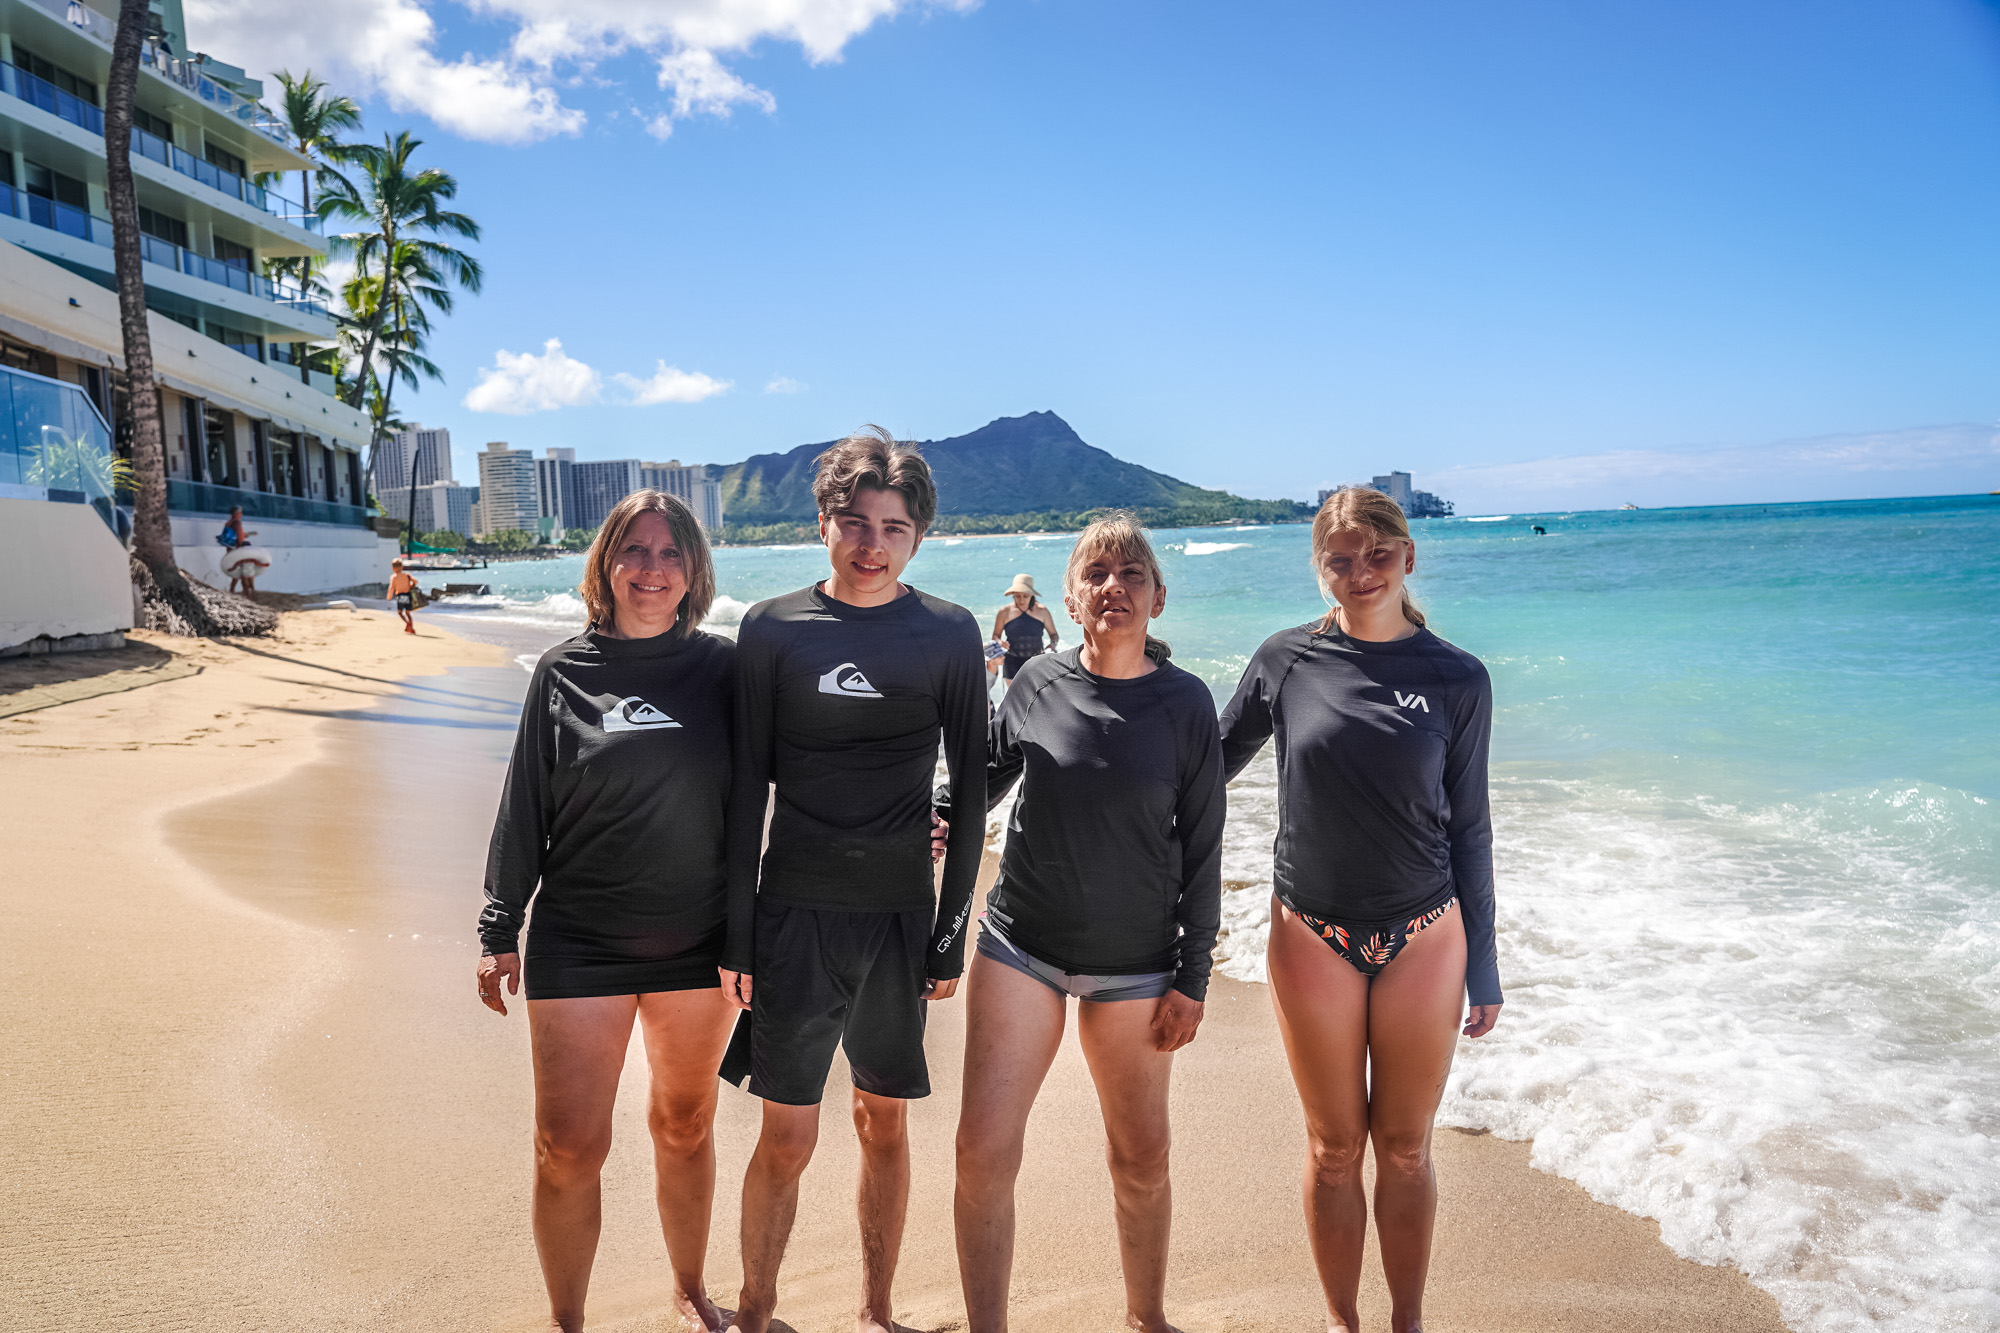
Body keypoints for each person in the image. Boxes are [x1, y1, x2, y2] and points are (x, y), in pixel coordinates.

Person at [720, 426, 987, 1333]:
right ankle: (756, 1309)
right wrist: (737, 934)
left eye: (894, 527)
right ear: (823, 523)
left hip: (899, 919)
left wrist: (950, 936)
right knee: (786, 1134)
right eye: (856, 523)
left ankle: (875, 1310)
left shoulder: (948, 632)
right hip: (794, 914)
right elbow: (744, 793)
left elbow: (973, 794)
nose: (872, 544)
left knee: (884, 1122)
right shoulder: (772, 629)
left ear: (919, 537)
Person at [1217, 486, 1500, 1333]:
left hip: (1426, 934)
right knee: (1334, 1147)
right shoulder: (1286, 659)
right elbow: (1204, 769)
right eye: (1341, 558)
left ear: (1408, 555)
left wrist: (1484, 965)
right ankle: (1342, 1322)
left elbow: (1471, 825)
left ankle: (1406, 1320)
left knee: (1406, 1148)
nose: (1361, 571)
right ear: (1320, 567)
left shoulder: (1457, 676)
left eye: (1378, 553)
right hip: (1312, 930)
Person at [951, 514, 1224, 1333]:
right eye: (1096, 574)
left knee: (1141, 1158)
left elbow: (1204, 846)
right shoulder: (1036, 680)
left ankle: (1147, 1318)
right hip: (1021, 946)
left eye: (1131, 573)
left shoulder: (1185, 703)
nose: (1114, 586)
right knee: (981, 1151)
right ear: (1069, 600)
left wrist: (1193, 978)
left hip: (1137, 963)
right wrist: (932, 816)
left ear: (1158, 598)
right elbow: (982, 778)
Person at [475, 491, 741, 1333]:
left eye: (670, 552)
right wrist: (498, 925)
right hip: (580, 936)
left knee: (685, 1122)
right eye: (635, 549)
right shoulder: (563, 672)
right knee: (567, 1146)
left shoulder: (726, 671)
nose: (652, 568)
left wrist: (911, 813)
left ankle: (690, 1289)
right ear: (606, 563)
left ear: (693, 569)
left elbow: (805, 767)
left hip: (698, 938)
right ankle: (567, 1319)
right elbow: (525, 804)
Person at [986, 573, 1060, 690]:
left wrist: (1053, 644)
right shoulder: (1004, 612)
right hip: (1012, 661)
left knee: (1036, 696)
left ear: (1031, 595)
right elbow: (995, 635)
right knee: (1015, 696)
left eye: (1025, 596)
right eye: (1017, 596)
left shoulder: (1042, 611)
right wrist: (999, 642)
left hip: (1036, 661)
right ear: (1013, 595)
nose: (1021, 600)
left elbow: (1053, 634)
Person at [219, 506, 259, 595]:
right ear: (237, 513)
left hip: (230, 549)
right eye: (240, 512)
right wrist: (244, 543)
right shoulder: (237, 523)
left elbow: (232, 536)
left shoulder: (228, 523)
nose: (241, 514)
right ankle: (247, 592)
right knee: (244, 571)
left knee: (237, 571)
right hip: (237, 550)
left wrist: (245, 534)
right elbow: (240, 539)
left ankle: (232, 590)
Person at [387, 558, 418, 634]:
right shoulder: (406, 575)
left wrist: (389, 596)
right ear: (402, 567)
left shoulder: (394, 577)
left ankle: (408, 624)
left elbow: (391, 587)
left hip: (401, 595)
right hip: (408, 594)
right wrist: (411, 586)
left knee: (400, 612)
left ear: (393, 568)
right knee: (407, 612)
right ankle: (411, 627)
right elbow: (415, 581)